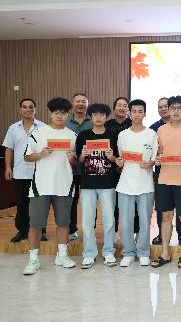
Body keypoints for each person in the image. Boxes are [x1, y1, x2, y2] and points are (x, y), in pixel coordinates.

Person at [22, 97, 78, 275]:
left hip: (64, 185)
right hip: (41, 186)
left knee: (63, 223)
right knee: (36, 224)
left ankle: (62, 256)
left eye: (63, 113)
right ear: (50, 114)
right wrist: (41, 154)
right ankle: (33, 260)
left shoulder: (72, 135)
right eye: (56, 113)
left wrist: (72, 158)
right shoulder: (39, 133)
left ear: (67, 115)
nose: (60, 116)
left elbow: (76, 163)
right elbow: (27, 157)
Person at [152, 95, 181, 269]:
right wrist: (157, 159)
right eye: (173, 108)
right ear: (168, 110)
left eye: (179, 108)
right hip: (164, 179)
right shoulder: (161, 130)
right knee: (165, 216)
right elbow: (158, 153)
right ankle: (165, 253)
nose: (176, 111)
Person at [75, 103, 119, 269]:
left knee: (109, 220)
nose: (98, 117)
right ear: (91, 117)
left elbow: (118, 160)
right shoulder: (83, 135)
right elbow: (79, 160)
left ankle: (108, 252)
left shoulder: (113, 135)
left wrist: (112, 157)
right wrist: (82, 155)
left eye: (102, 114)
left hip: (108, 183)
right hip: (88, 184)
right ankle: (89, 254)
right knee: (87, 221)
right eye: (95, 114)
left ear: (106, 117)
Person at [115, 99, 158, 267]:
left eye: (140, 111)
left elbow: (154, 158)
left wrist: (150, 163)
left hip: (145, 184)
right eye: (134, 111)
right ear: (129, 113)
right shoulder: (123, 135)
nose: (137, 114)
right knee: (126, 221)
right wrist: (119, 162)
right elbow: (121, 156)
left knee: (144, 221)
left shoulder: (151, 134)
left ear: (145, 114)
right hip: (125, 185)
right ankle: (128, 252)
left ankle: (143, 252)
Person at [3, 98, 46, 242]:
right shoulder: (13, 128)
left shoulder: (43, 127)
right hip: (20, 172)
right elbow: (9, 149)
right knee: (21, 204)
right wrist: (8, 167)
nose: (28, 109)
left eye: (31, 107)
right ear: (20, 110)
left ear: (35, 109)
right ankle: (22, 231)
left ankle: (41, 231)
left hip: (38, 172)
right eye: (25, 107)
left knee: (39, 204)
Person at [65, 93, 93, 241]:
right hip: (70, 169)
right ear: (73, 104)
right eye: (77, 101)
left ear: (87, 104)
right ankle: (72, 229)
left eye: (83, 101)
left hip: (91, 169)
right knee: (72, 201)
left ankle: (90, 229)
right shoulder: (66, 122)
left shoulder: (93, 122)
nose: (80, 104)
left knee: (90, 201)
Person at [105, 97, 132, 243]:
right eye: (119, 105)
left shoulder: (133, 124)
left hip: (130, 168)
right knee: (112, 202)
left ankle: (132, 231)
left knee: (130, 203)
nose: (122, 108)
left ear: (128, 109)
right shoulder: (107, 125)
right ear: (114, 108)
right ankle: (114, 231)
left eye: (125, 105)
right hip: (111, 168)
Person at [150, 97, 173, 245]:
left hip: (180, 173)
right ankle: (161, 234)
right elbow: (149, 151)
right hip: (161, 173)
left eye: (166, 106)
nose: (163, 109)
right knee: (162, 207)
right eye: (160, 107)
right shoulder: (153, 128)